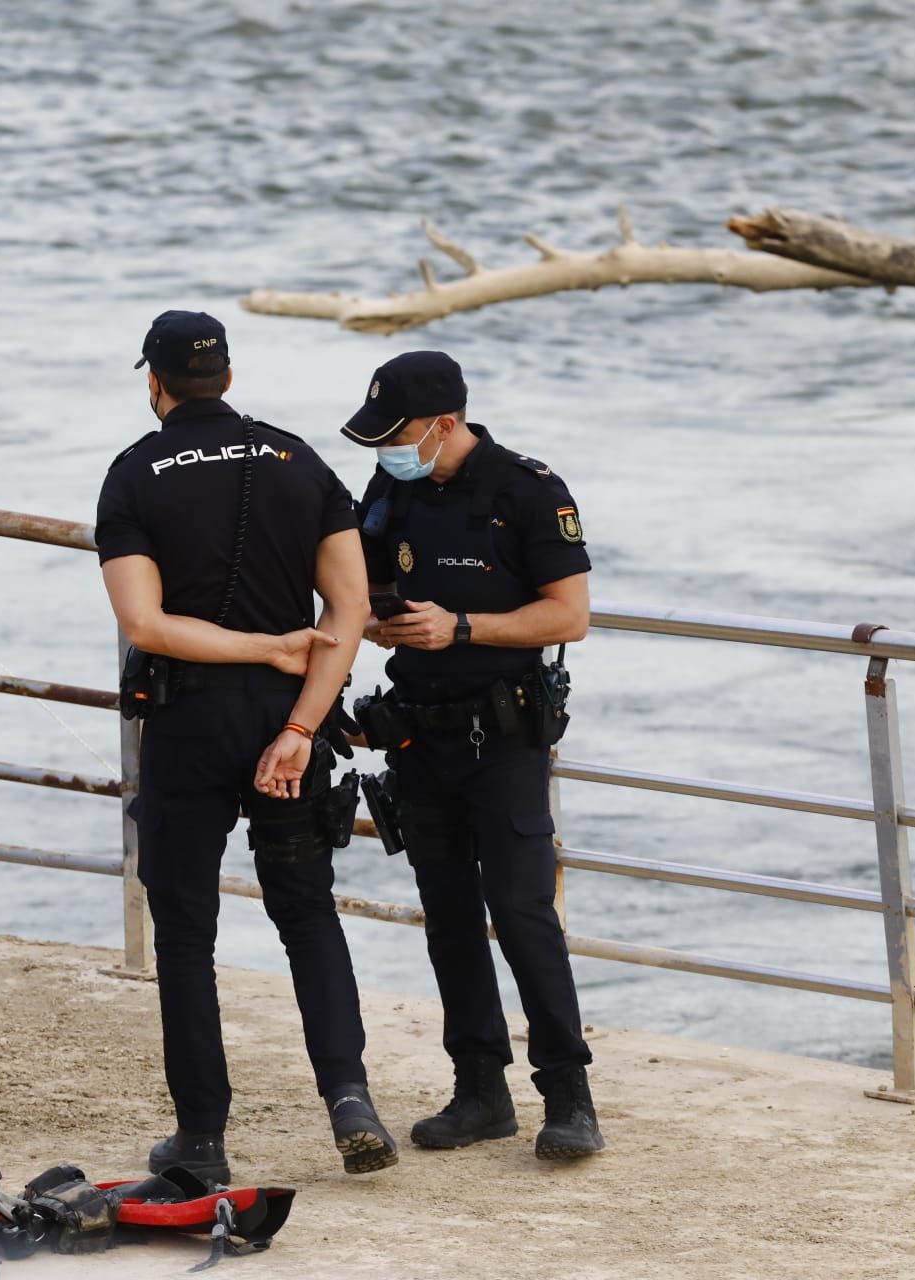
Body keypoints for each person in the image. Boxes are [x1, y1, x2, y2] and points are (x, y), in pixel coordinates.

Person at [96, 310, 397, 1182]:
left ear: (154, 382)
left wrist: (254, 646)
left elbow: (144, 621)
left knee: (187, 934)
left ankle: (202, 1140)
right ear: (227, 377)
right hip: (288, 720)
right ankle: (349, 1100)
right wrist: (301, 723)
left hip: (189, 725)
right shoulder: (299, 461)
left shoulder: (134, 474)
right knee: (307, 913)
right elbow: (346, 612)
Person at [341, 350, 605, 1160]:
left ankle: (569, 1096)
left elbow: (569, 616)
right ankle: (479, 1091)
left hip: (505, 735)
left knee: (524, 916)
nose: (387, 448)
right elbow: (370, 584)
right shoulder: (392, 487)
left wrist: (462, 627)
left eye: (399, 433)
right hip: (419, 730)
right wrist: (380, 620)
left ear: (445, 424)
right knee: (448, 916)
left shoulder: (528, 490)